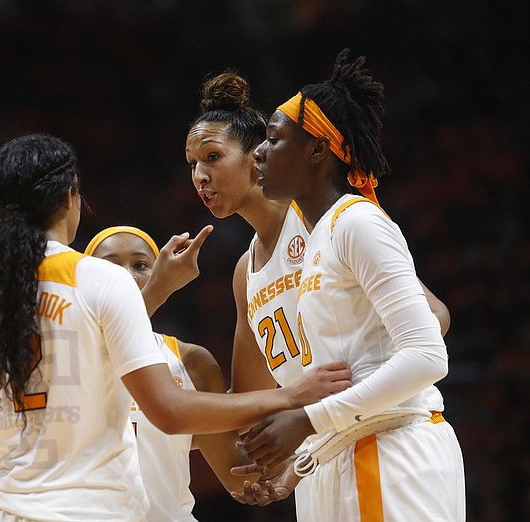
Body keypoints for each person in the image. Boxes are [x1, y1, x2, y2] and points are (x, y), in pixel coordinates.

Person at [0, 133, 352, 522]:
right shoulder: (97, 281)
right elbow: (168, 412)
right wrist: (290, 395)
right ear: (69, 198)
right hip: (94, 512)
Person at [184, 69, 452, 512]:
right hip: (318, 456)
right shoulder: (243, 272)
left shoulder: (325, 220)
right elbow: (254, 398)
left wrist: (333, 395)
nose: (199, 175)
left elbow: (433, 319)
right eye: (192, 164)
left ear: (257, 156)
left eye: (212, 157)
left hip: (378, 431)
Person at [84, 225, 252, 521]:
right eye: (110, 266)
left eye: (140, 265)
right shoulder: (68, 356)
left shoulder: (192, 362)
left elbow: (237, 476)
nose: (126, 275)